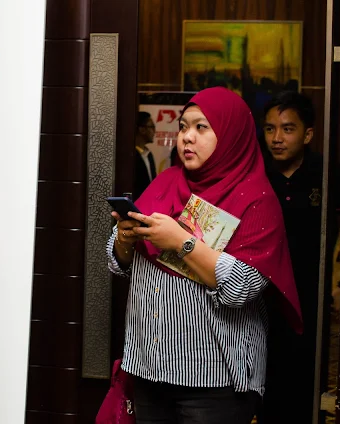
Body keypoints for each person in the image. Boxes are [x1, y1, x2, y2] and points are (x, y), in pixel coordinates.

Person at [107, 87, 302, 424]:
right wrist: (124, 238)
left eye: (201, 127)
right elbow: (120, 263)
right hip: (148, 367)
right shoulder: (166, 182)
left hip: (212, 380)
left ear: (231, 135)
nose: (187, 137)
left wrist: (180, 241)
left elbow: (243, 287)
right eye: (183, 126)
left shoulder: (256, 199)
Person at [260, 91, 340, 424]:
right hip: (263, 294)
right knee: (266, 383)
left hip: (312, 293)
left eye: (287, 129)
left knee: (307, 381)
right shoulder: (258, 174)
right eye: (270, 129)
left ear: (307, 134)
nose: (277, 138)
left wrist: (339, 280)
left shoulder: (326, 173)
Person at [133, 112, 157, 200]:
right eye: (152, 127)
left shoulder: (149, 155)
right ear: (142, 129)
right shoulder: (131, 156)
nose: (154, 131)